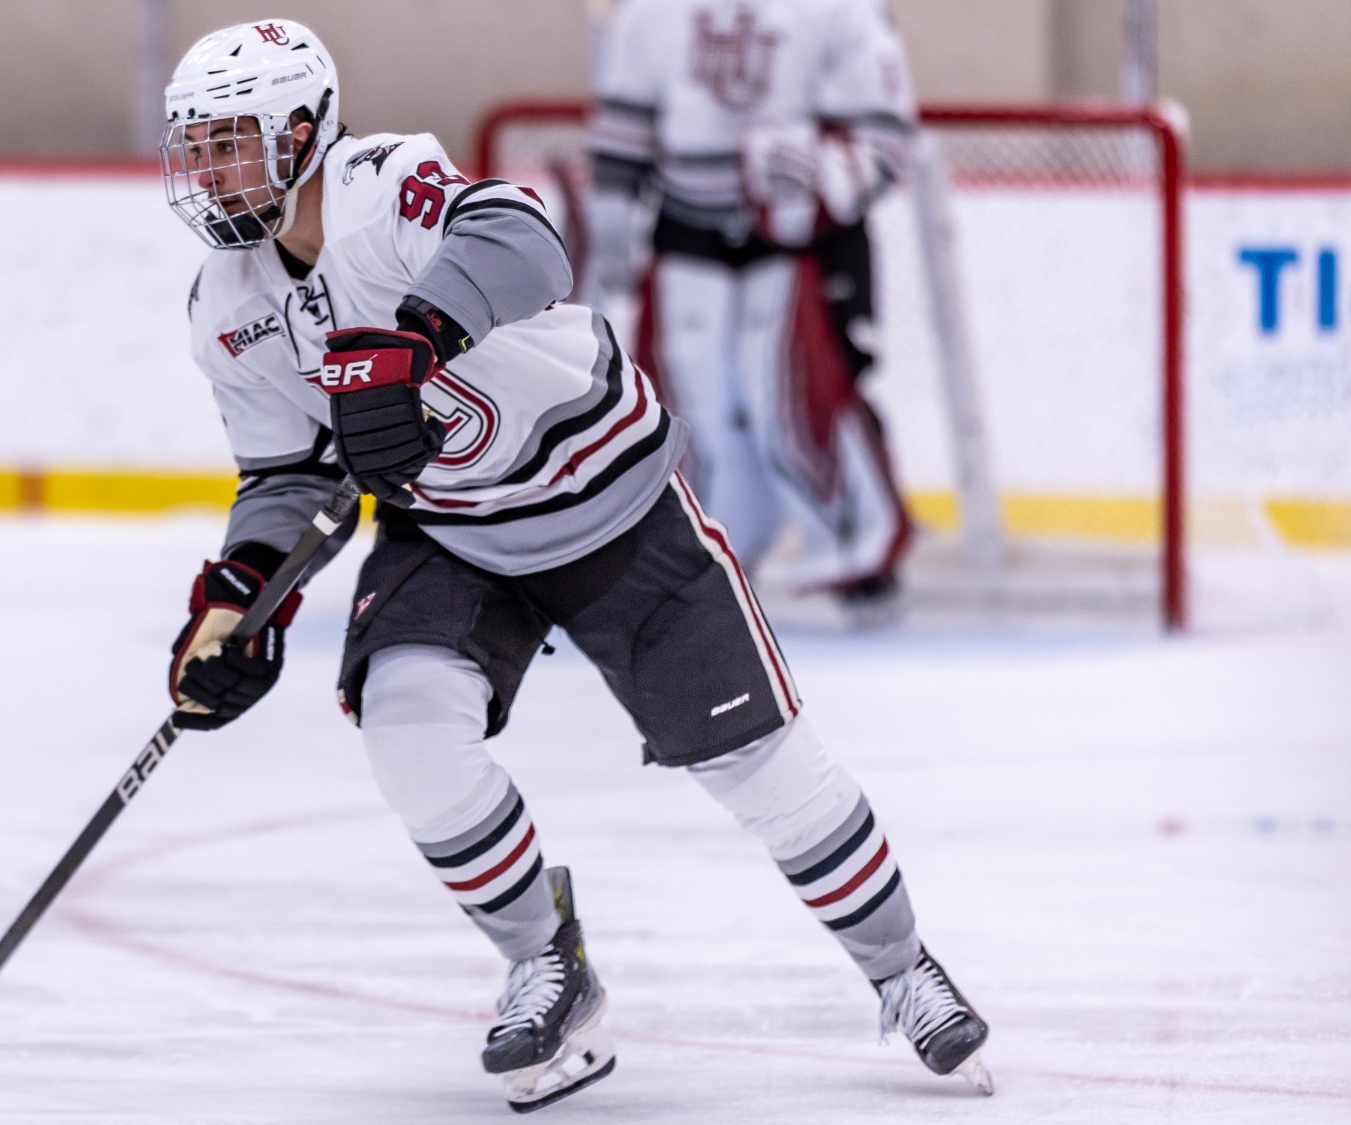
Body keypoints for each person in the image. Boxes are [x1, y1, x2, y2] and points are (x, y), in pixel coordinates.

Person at [158, 18, 988, 1112]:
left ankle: (900, 970)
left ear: (306, 128)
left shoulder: (380, 181)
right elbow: (285, 476)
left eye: (232, 141)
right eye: (197, 146)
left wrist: (417, 337)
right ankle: (545, 965)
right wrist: (237, 603)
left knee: (759, 766)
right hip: (450, 534)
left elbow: (526, 238)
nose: (210, 171)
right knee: (407, 731)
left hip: (610, 502)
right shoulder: (225, 307)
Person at [583, 0, 918, 620]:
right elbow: (625, 124)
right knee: (693, 402)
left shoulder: (841, 11)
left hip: (804, 240)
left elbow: (884, 138)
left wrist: (826, 171)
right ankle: (704, 557)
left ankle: (860, 558)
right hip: (686, 232)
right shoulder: (648, 14)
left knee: (803, 396)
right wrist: (614, 218)